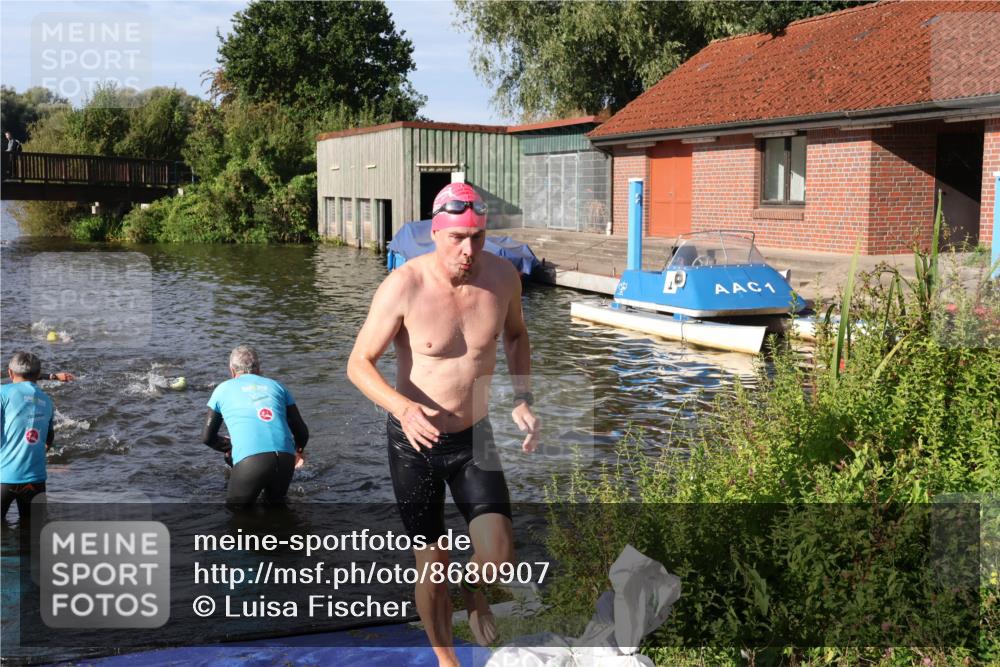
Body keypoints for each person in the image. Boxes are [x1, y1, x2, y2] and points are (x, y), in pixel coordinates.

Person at [348, 182, 540, 666]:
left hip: (475, 435)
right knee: (431, 564)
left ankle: (474, 590)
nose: (468, 250)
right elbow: (358, 363)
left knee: (498, 554)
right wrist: (402, 407)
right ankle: (446, 660)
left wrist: (522, 396)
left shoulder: (503, 278)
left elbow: (516, 335)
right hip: (414, 443)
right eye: (457, 237)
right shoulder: (404, 286)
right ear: (436, 232)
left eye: (477, 237)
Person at [201, 345, 309, 507]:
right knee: (277, 512)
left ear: (232, 371)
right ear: (259, 369)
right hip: (285, 458)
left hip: (252, 460)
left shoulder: (222, 389)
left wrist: (228, 447)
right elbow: (301, 431)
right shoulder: (278, 386)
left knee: (237, 515)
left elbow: (207, 438)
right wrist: (298, 451)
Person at [1, 352, 58, 524]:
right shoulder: (47, 401)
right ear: (38, 374)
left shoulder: (3, 393)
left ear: (10, 373)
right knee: (32, 536)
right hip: (35, 480)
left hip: (4, 477)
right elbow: (49, 438)